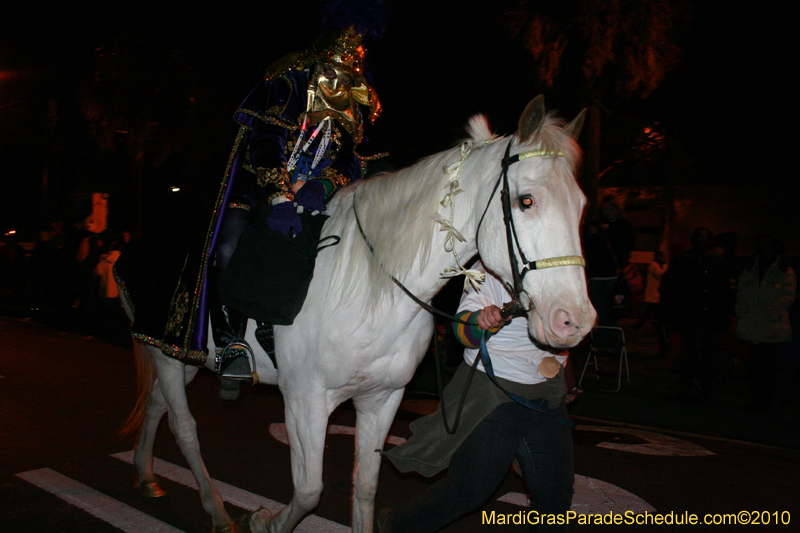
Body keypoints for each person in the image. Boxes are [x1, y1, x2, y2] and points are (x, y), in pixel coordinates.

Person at [114, 21, 388, 399]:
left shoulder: (349, 111)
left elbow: (349, 162)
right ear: (315, 63)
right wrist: (280, 197)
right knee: (227, 249)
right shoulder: (288, 87)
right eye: (329, 69)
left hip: (309, 198)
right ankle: (229, 346)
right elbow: (267, 144)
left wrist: (323, 185)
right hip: (254, 189)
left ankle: (279, 331)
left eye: (343, 74)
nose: (334, 79)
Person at [381, 262, 574, 533]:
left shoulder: (562, 264)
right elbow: (464, 333)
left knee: (555, 499)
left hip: (547, 398)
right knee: (468, 491)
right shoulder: (489, 269)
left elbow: (571, 328)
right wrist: (481, 320)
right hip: (495, 398)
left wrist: (567, 375)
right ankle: (395, 527)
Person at [660, 227, 731, 401]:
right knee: (688, 352)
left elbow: (723, 290)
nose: (700, 242)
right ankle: (687, 387)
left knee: (708, 353)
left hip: (709, 313)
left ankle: (705, 389)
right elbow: (675, 286)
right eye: (698, 238)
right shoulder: (685, 260)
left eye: (704, 238)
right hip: (690, 312)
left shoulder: (716, 261)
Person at [735, 234, 796, 411]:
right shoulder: (750, 268)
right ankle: (755, 399)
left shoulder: (784, 270)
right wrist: (742, 312)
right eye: (762, 244)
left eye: (768, 245)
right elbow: (741, 291)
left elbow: (787, 296)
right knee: (752, 364)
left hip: (771, 326)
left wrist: (771, 314)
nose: (764, 248)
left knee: (766, 365)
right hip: (751, 324)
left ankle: (765, 401)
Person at [583, 194, 635, 353]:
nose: (606, 212)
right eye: (604, 209)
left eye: (610, 208)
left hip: (613, 275)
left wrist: (611, 232)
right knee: (598, 310)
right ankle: (599, 343)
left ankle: (613, 344)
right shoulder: (596, 224)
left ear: (616, 209)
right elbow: (588, 248)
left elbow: (626, 249)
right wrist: (590, 235)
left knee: (612, 310)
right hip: (597, 275)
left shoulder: (623, 226)